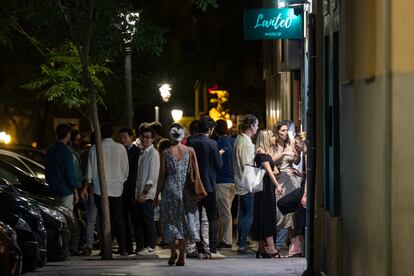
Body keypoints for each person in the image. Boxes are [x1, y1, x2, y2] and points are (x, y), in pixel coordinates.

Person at [154, 123, 200, 266]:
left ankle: (173, 251)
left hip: (170, 190)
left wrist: (156, 195)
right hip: (185, 191)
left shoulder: (165, 153)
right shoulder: (190, 151)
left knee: (169, 222)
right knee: (184, 224)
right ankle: (182, 257)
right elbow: (195, 172)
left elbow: (161, 176)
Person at [87, 123, 129, 256]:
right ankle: (122, 247)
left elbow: (89, 171)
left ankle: (105, 246)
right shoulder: (121, 148)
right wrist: (120, 180)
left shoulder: (95, 149)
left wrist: (90, 182)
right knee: (118, 218)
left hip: (100, 188)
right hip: (117, 187)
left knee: (102, 218)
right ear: (112, 134)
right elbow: (125, 169)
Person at [186, 117, 225, 259]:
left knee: (196, 218)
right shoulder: (213, 143)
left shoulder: (191, 142)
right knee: (212, 218)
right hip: (209, 186)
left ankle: (200, 249)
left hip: (194, 186)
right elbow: (218, 166)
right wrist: (219, 155)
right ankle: (213, 249)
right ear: (210, 129)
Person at [252, 130, 283, 258]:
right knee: (266, 215)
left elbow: (275, 170)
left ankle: (261, 248)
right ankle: (270, 247)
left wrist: (272, 172)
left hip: (267, 188)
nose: (274, 138)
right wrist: (277, 185)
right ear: (265, 138)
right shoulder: (261, 153)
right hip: (264, 190)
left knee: (263, 215)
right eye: (272, 136)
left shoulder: (267, 154)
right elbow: (271, 172)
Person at [273, 121, 302, 256]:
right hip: (278, 181)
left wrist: (295, 156)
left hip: (291, 180)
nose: (284, 133)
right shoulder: (273, 144)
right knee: (278, 212)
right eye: (282, 131)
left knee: (290, 214)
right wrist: (284, 153)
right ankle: (276, 244)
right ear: (277, 131)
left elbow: (296, 161)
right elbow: (270, 160)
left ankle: (289, 246)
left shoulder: (291, 143)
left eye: (286, 130)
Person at [277, 132, 307, 257]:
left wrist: (305, 194)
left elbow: (310, 175)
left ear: (301, 142)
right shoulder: (304, 154)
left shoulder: (306, 154)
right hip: (301, 184)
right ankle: (297, 242)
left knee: (299, 212)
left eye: (296, 144)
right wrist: (301, 174)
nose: (295, 147)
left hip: (305, 188)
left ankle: (297, 243)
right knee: (283, 204)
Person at [232, 114, 259, 253]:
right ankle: (242, 243)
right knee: (248, 214)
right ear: (251, 126)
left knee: (243, 213)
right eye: (256, 125)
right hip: (246, 181)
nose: (258, 128)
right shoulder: (245, 142)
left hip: (242, 181)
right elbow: (247, 164)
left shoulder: (240, 139)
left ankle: (242, 241)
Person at [135, 127, 160, 255]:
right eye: (143, 137)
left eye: (148, 137)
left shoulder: (153, 154)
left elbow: (152, 176)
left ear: (153, 139)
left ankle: (150, 246)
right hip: (140, 192)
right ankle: (145, 245)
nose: (145, 139)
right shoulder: (143, 152)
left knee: (148, 220)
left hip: (147, 194)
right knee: (141, 220)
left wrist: (145, 193)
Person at [45, 123, 80, 210]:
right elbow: (70, 175)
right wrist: (75, 192)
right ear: (68, 134)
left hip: (53, 190)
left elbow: (47, 170)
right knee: (66, 219)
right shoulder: (67, 152)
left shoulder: (49, 150)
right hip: (65, 192)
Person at [119, 127, 141, 254]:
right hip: (122, 189)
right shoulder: (120, 150)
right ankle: (127, 246)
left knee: (135, 218)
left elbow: (134, 171)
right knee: (124, 218)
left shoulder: (136, 151)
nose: (122, 140)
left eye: (125, 137)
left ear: (131, 137)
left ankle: (138, 245)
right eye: (121, 137)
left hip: (132, 188)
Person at [214, 119, 235, 249]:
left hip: (222, 181)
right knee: (225, 211)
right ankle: (222, 238)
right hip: (234, 181)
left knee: (224, 212)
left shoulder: (217, 143)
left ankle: (226, 240)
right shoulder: (233, 142)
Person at [79, 132, 97, 256]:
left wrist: (85, 187)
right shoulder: (96, 151)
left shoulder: (87, 152)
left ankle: (89, 244)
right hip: (102, 188)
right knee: (98, 218)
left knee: (90, 219)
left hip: (91, 187)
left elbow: (84, 171)